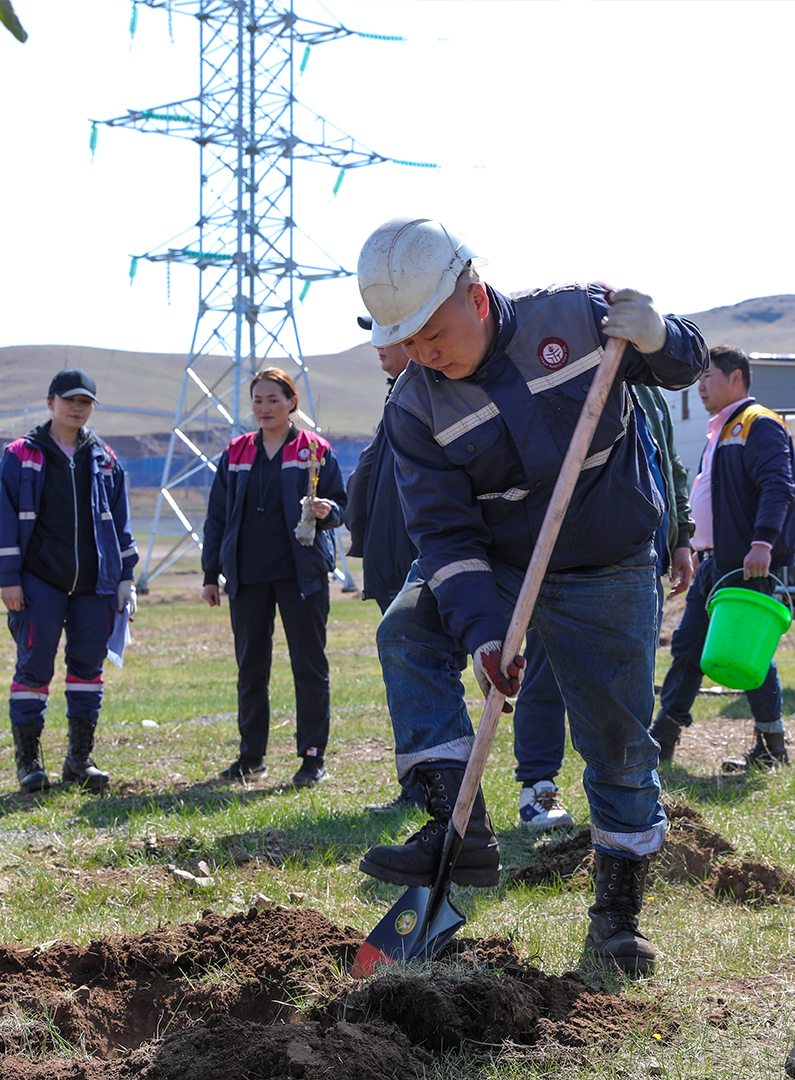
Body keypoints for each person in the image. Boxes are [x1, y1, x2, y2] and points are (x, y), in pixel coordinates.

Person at [354, 217, 707, 975]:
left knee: (617, 741)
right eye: (407, 342)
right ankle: (459, 823)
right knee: (407, 631)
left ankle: (617, 916)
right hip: (499, 563)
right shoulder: (415, 408)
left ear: (476, 296)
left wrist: (659, 337)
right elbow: (444, 536)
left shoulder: (578, 319)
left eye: (433, 334)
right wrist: (485, 633)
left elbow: (687, 365)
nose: (425, 355)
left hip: (606, 564)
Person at [512, 382, 696, 830]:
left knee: (631, 680)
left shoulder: (649, 390)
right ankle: (538, 786)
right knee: (547, 671)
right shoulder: (569, 379)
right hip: (573, 561)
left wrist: (681, 537)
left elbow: (668, 463)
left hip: (644, 558)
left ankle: (630, 798)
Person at [0, 368, 138, 793]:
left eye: (85, 402)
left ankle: (79, 760)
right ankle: (29, 764)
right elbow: (3, 520)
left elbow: (121, 523)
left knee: (87, 669)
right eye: (69, 400)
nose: (77, 408)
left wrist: (126, 578)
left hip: (95, 585)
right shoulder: (20, 455)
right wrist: (9, 578)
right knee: (34, 669)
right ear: (50, 401)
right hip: (40, 581)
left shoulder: (106, 460)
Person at [650, 346, 795, 770]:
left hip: (747, 563)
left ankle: (771, 745)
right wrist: (697, 550)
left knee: (746, 650)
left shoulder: (759, 423)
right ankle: (664, 736)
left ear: (736, 378)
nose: (700, 386)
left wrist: (763, 543)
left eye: (708, 376)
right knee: (688, 645)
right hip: (715, 562)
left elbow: (778, 486)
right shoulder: (722, 429)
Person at [201, 367, 347, 788]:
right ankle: (251, 758)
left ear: (291, 403)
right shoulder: (236, 452)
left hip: (301, 575)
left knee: (309, 666)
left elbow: (341, 505)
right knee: (251, 669)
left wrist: (328, 512)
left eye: (273, 400)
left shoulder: (313, 449)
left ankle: (312, 758)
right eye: (258, 400)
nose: (264, 408)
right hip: (247, 576)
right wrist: (211, 573)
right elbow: (217, 516)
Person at [344, 319, 424, 814]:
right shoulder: (399, 394)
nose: (376, 343)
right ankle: (426, 787)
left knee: (420, 674)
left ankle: (429, 790)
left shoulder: (428, 394)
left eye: (386, 332)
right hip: (390, 560)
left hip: (414, 562)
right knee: (410, 675)